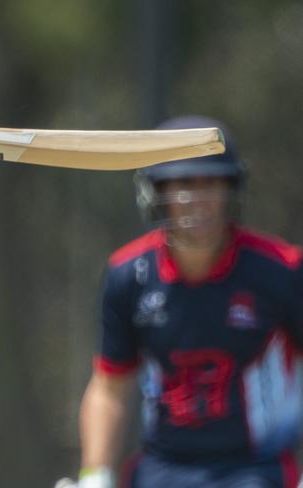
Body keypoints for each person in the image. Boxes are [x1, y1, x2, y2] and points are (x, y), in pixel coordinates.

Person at [58, 116, 303, 488]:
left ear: (232, 190)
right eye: (183, 184)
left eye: (211, 184)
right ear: (153, 193)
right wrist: (95, 475)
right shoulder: (128, 275)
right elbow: (110, 387)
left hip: (257, 468)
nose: (197, 201)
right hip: (162, 469)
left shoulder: (282, 270)